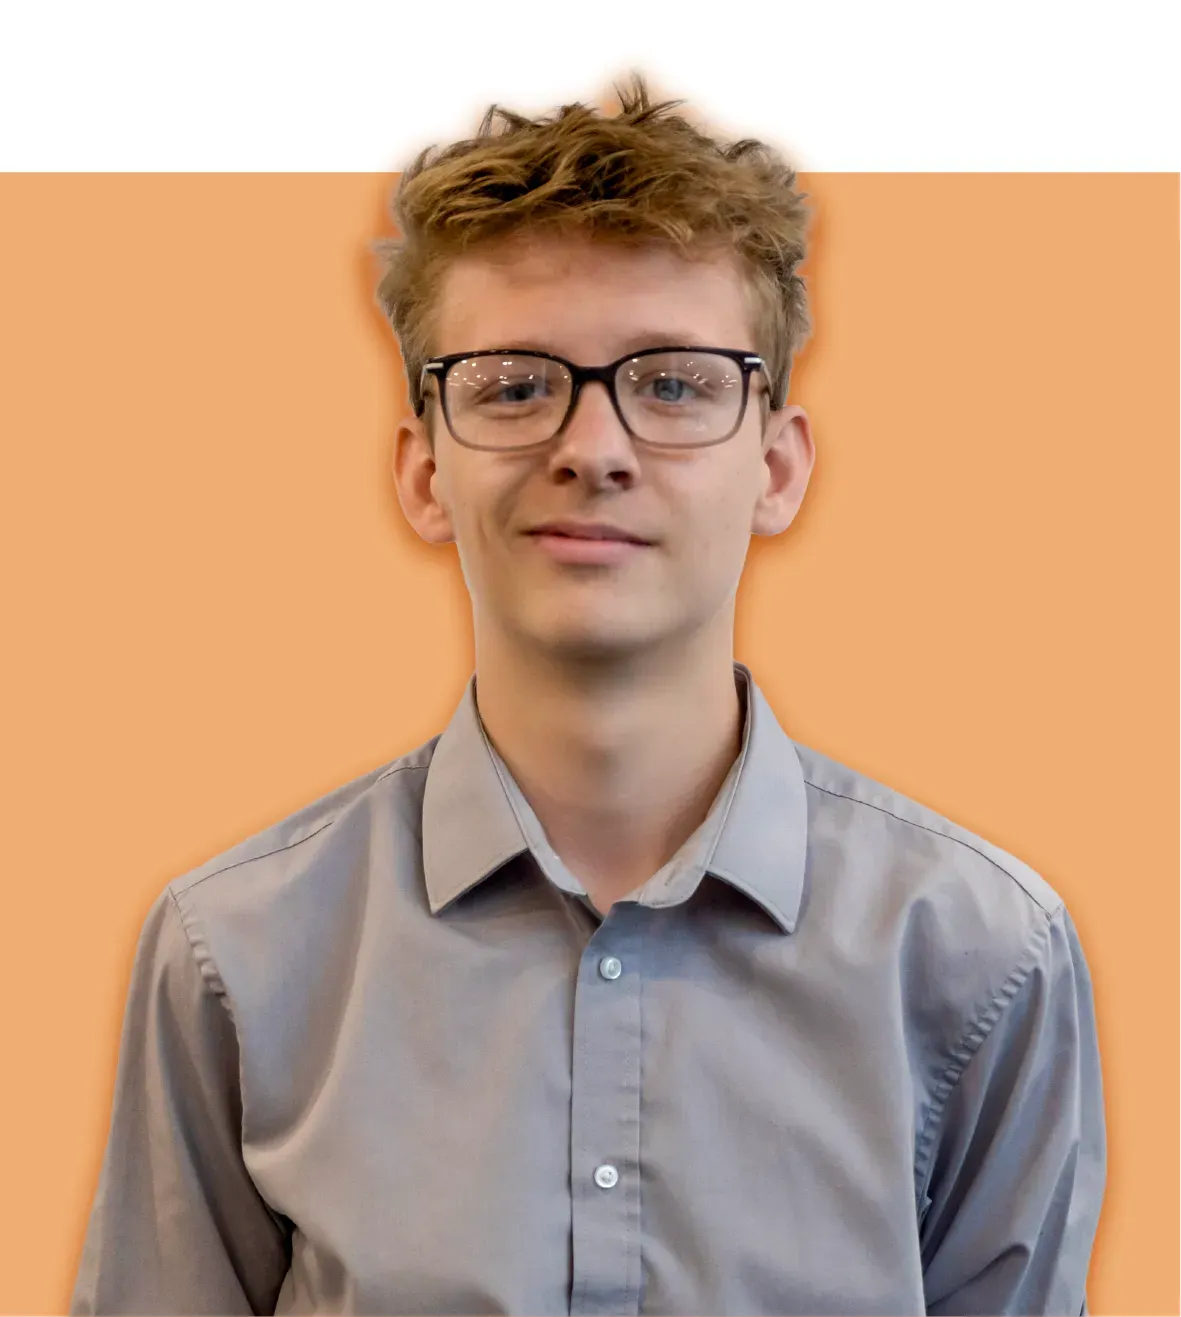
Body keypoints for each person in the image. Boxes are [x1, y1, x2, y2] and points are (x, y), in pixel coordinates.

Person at [70, 74, 1105, 1316]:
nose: (592, 445)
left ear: (775, 469)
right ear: (421, 471)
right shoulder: (234, 953)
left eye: (672, 383)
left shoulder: (982, 956)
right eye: (512, 384)